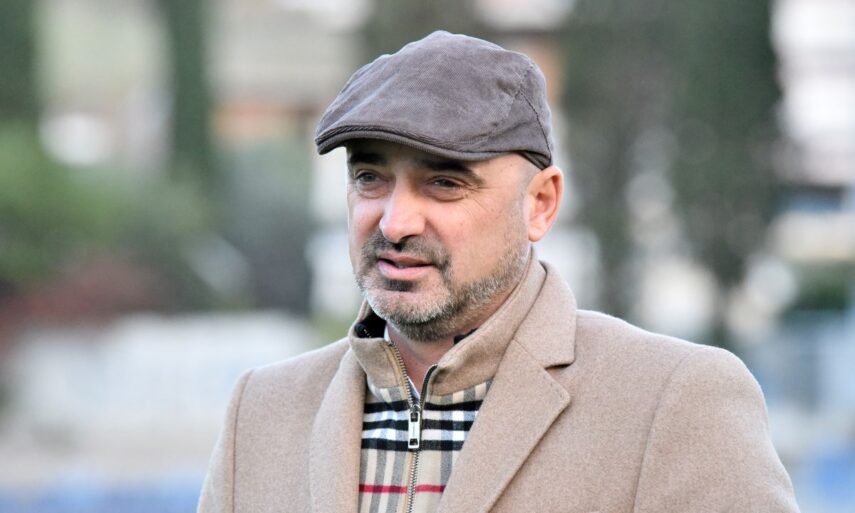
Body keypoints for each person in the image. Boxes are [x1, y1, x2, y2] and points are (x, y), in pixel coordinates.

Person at [197, 31, 800, 513]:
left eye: (444, 182)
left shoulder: (676, 402)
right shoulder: (262, 411)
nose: (395, 221)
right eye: (369, 177)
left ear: (540, 204)